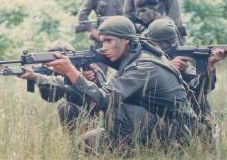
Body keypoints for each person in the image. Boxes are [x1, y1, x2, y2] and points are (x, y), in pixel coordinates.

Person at [45, 16, 197, 150]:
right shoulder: (134, 56)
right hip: (155, 121)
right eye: (102, 42)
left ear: (126, 39)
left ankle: (159, 149)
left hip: (178, 130)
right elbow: (109, 91)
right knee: (84, 144)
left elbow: (105, 100)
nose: (104, 48)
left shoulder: (143, 65)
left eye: (108, 41)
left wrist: (71, 71)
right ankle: (127, 148)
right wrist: (94, 78)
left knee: (115, 110)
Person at [145, 18, 227, 144]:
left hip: (182, 121)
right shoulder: (144, 58)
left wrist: (209, 67)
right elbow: (144, 87)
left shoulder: (180, 60)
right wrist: (168, 67)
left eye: (170, 43)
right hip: (153, 122)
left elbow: (200, 90)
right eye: (161, 44)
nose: (166, 47)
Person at [19, 40, 106, 132]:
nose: (53, 66)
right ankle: (74, 141)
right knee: (66, 108)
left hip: (100, 116)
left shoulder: (90, 68)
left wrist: (86, 79)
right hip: (79, 114)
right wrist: (41, 80)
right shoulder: (57, 73)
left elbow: (104, 96)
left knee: (65, 108)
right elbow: (51, 98)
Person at [76, 0, 125, 74]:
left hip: (120, 38)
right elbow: (82, 15)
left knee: (125, 70)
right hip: (101, 40)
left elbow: (127, 15)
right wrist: (94, 32)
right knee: (98, 73)